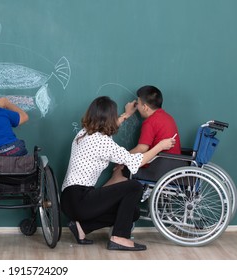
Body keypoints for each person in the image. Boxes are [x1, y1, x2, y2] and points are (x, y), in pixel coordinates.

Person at [60, 96, 175, 251]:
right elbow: (137, 161)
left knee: (132, 213)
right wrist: (160, 146)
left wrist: (126, 115)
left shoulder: (84, 133)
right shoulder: (103, 142)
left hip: (69, 199)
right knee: (134, 186)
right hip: (81, 200)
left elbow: (109, 129)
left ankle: (82, 227)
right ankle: (120, 238)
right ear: (109, 118)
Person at [105, 85, 181, 186]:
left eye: (138, 103)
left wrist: (121, 161)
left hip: (158, 169)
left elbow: (142, 149)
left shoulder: (150, 122)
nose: (137, 107)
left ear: (145, 107)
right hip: (173, 166)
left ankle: (97, 198)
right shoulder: (168, 117)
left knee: (119, 170)